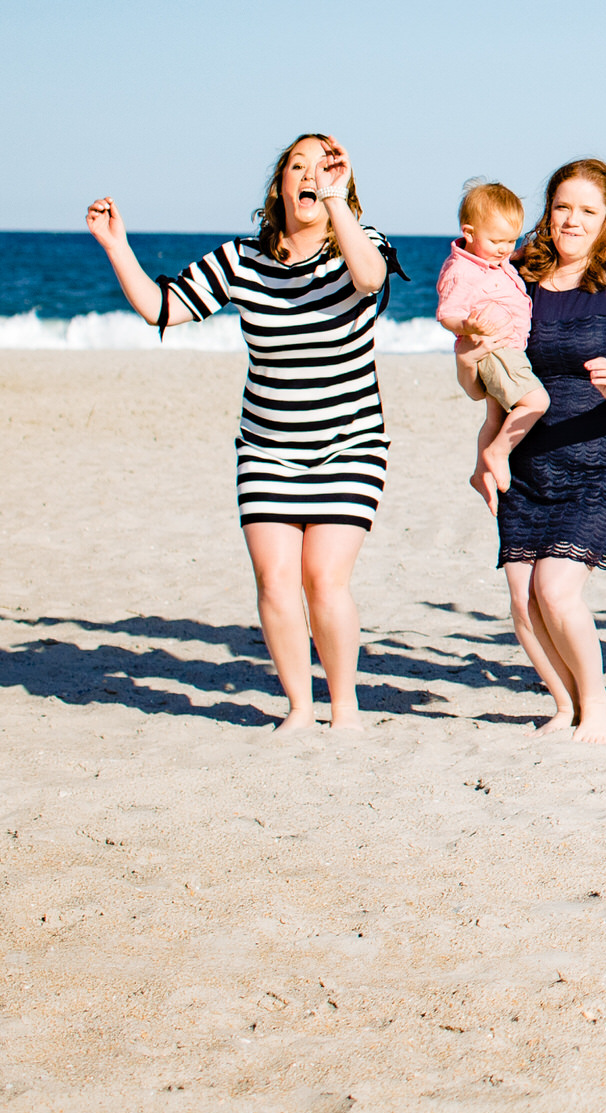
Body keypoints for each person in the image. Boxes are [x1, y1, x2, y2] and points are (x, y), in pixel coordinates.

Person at [83, 135, 395, 730]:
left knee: (324, 579)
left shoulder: (362, 243)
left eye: (322, 168)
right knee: (275, 582)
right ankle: (299, 708)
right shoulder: (241, 259)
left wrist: (337, 202)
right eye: (297, 166)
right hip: (267, 450)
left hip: (350, 446)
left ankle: (345, 709)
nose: (309, 175)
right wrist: (117, 246)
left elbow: (370, 277)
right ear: (279, 185)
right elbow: (162, 308)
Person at [458, 159, 606, 743]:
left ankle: (597, 702)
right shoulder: (517, 281)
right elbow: (481, 384)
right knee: (523, 599)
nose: (572, 220)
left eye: (587, 210)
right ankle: (564, 705)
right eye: (562, 207)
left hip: (604, 459)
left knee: (554, 589)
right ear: (547, 212)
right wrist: (467, 353)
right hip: (528, 461)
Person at [436, 179, 549, 511]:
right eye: (497, 241)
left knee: (495, 417)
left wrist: (521, 250)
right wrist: (466, 326)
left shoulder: (492, 260)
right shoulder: (462, 271)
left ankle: (479, 472)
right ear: (469, 233)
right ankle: (498, 452)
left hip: (506, 348)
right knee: (536, 401)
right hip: (495, 348)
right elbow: (447, 313)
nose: (504, 249)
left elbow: (507, 261)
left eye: (511, 240)